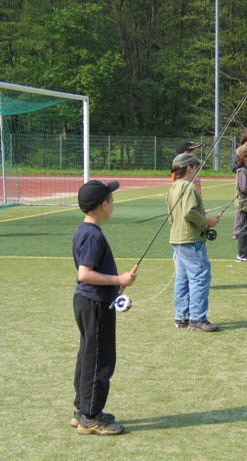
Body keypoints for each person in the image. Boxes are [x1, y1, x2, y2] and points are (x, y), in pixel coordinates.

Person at [71, 180, 137, 435]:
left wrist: (116, 287)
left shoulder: (85, 230)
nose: (113, 204)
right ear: (102, 205)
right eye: (111, 200)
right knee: (100, 360)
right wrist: (119, 280)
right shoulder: (93, 235)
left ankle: (83, 410)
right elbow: (85, 274)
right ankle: (91, 417)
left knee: (88, 356)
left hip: (91, 301)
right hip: (94, 304)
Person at [167, 154, 221, 331]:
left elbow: (172, 215)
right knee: (200, 276)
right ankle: (197, 319)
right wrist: (207, 221)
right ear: (189, 168)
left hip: (177, 237)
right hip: (190, 239)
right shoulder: (189, 187)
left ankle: (181, 316)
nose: (198, 171)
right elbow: (189, 213)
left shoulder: (173, 187)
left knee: (182, 278)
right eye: (196, 167)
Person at [232, 129, 247, 238]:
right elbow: (234, 166)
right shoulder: (240, 151)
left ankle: (242, 231)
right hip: (243, 177)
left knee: (245, 209)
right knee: (242, 209)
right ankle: (239, 232)